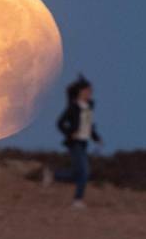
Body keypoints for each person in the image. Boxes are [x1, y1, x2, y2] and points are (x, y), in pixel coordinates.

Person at [43, 74, 102, 209]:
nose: (90, 93)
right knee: (85, 172)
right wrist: (70, 134)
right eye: (88, 90)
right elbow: (60, 123)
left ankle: (53, 175)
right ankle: (77, 201)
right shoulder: (73, 107)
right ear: (81, 91)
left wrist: (96, 138)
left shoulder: (89, 106)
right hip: (74, 144)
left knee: (78, 174)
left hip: (84, 143)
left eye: (91, 91)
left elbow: (88, 125)